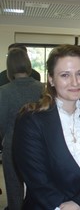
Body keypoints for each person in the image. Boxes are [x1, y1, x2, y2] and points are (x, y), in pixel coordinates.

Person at [13, 44, 80, 210]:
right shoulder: (31, 120)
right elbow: (37, 180)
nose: (75, 82)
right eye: (65, 75)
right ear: (51, 79)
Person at [0, 47, 44, 210]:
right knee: (37, 187)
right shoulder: (42, 88)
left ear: (9, 68)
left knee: (14, 190)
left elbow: (1, 123)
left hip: (12, 146)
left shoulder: (4, 92)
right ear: (28, 64)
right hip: (37, 146)